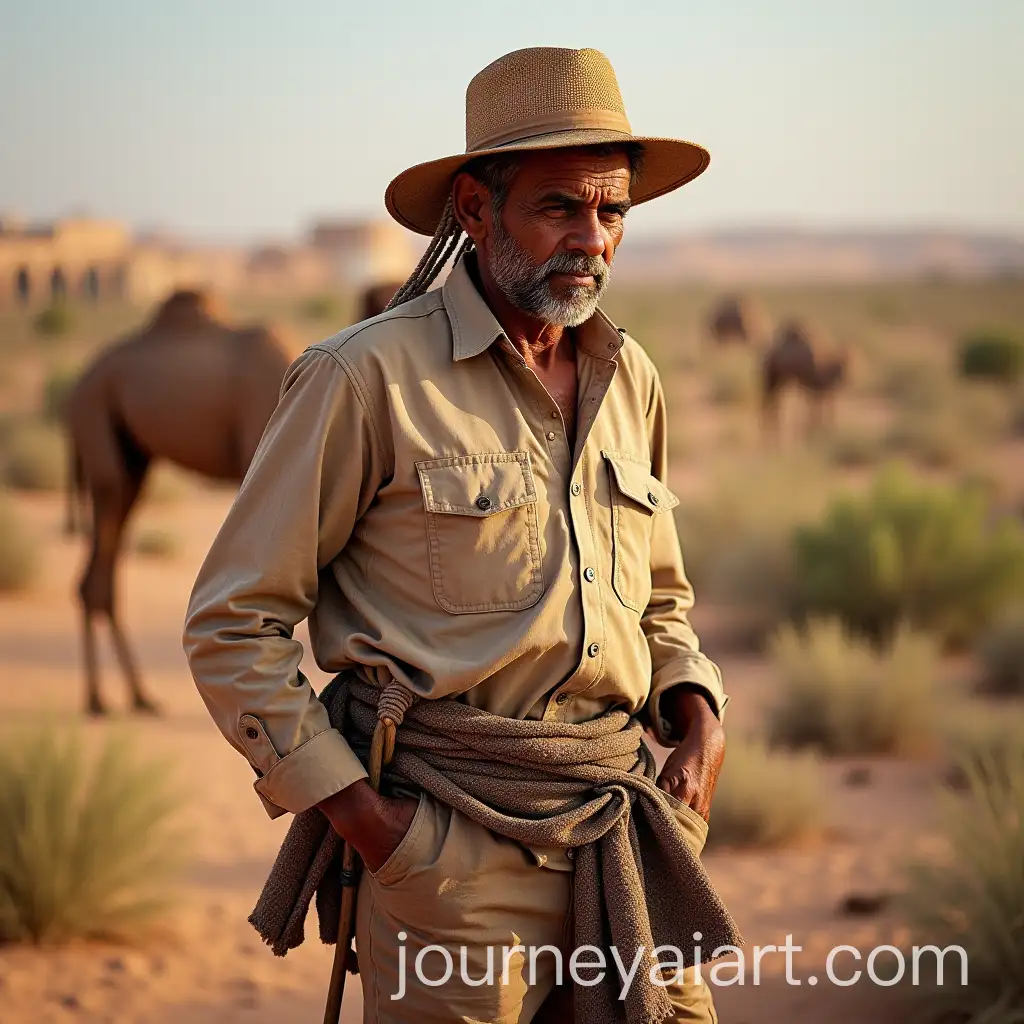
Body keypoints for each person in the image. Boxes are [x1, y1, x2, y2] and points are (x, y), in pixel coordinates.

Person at [183, 46, 735, 1024]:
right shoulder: (364, 378)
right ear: (476, 211)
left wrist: (695, 702)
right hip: (449, 854)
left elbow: (658, 597)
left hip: (625, 829)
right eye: (559, 207)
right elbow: (233, 622)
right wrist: (371, 823)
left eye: (611, 212)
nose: (592, 240)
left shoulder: (629, 376)